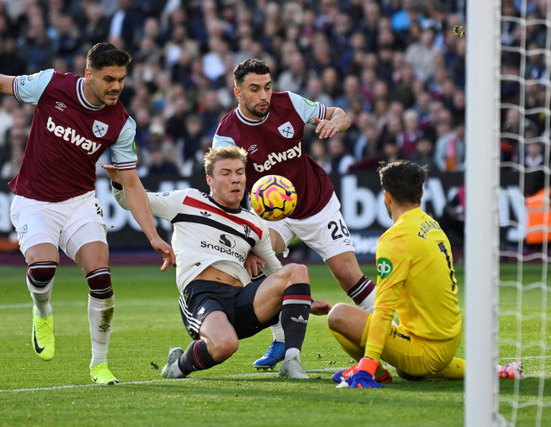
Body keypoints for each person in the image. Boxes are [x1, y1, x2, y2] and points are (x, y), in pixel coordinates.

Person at [0, 42, 175, 385]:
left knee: (101, 280)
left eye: (121, 79)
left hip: (80, 203)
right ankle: (42, 312)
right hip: (34, 201)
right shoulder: (51, 85)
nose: (116, 86)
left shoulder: (121, 124)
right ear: (89, 75)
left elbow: (131, 183)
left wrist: (154, 236)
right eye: (108, 78)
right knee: (43, 268)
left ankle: (99, 365)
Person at [103, 146, 331, 379]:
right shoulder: (186, 200)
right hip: (202, 294)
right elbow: (133, 200)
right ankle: (177, 366)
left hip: (242, 299)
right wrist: (121, 183)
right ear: (209, 179)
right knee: (225, 346)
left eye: (240, 173)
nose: (235, 179)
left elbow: (276, 270)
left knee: (297, 269)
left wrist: (308, 302)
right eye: (226, 173)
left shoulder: (254, 224)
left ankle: (292, 360)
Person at [212, 58, 376, 370]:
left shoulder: (290, 103)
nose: (264, 95)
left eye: (268, 87)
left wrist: (334, 123)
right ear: (238, 93)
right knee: (255, 259)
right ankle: (280, 339)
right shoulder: (227, 135)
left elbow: (341, 115)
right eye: (255, 89)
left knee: (348, 276)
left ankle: (392, 325)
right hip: (274, 213)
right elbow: (224, 182)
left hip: (317, 203)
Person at [327, 160, 522, 388]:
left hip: (423, 351)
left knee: (337, 315)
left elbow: (383, 309)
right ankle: (494, 371)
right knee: (408, 371)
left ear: (386, 196)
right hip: (449, 340)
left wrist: (368, 364)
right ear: (421, 192)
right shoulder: (432, 225)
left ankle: (375, 372)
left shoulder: (395, 239)